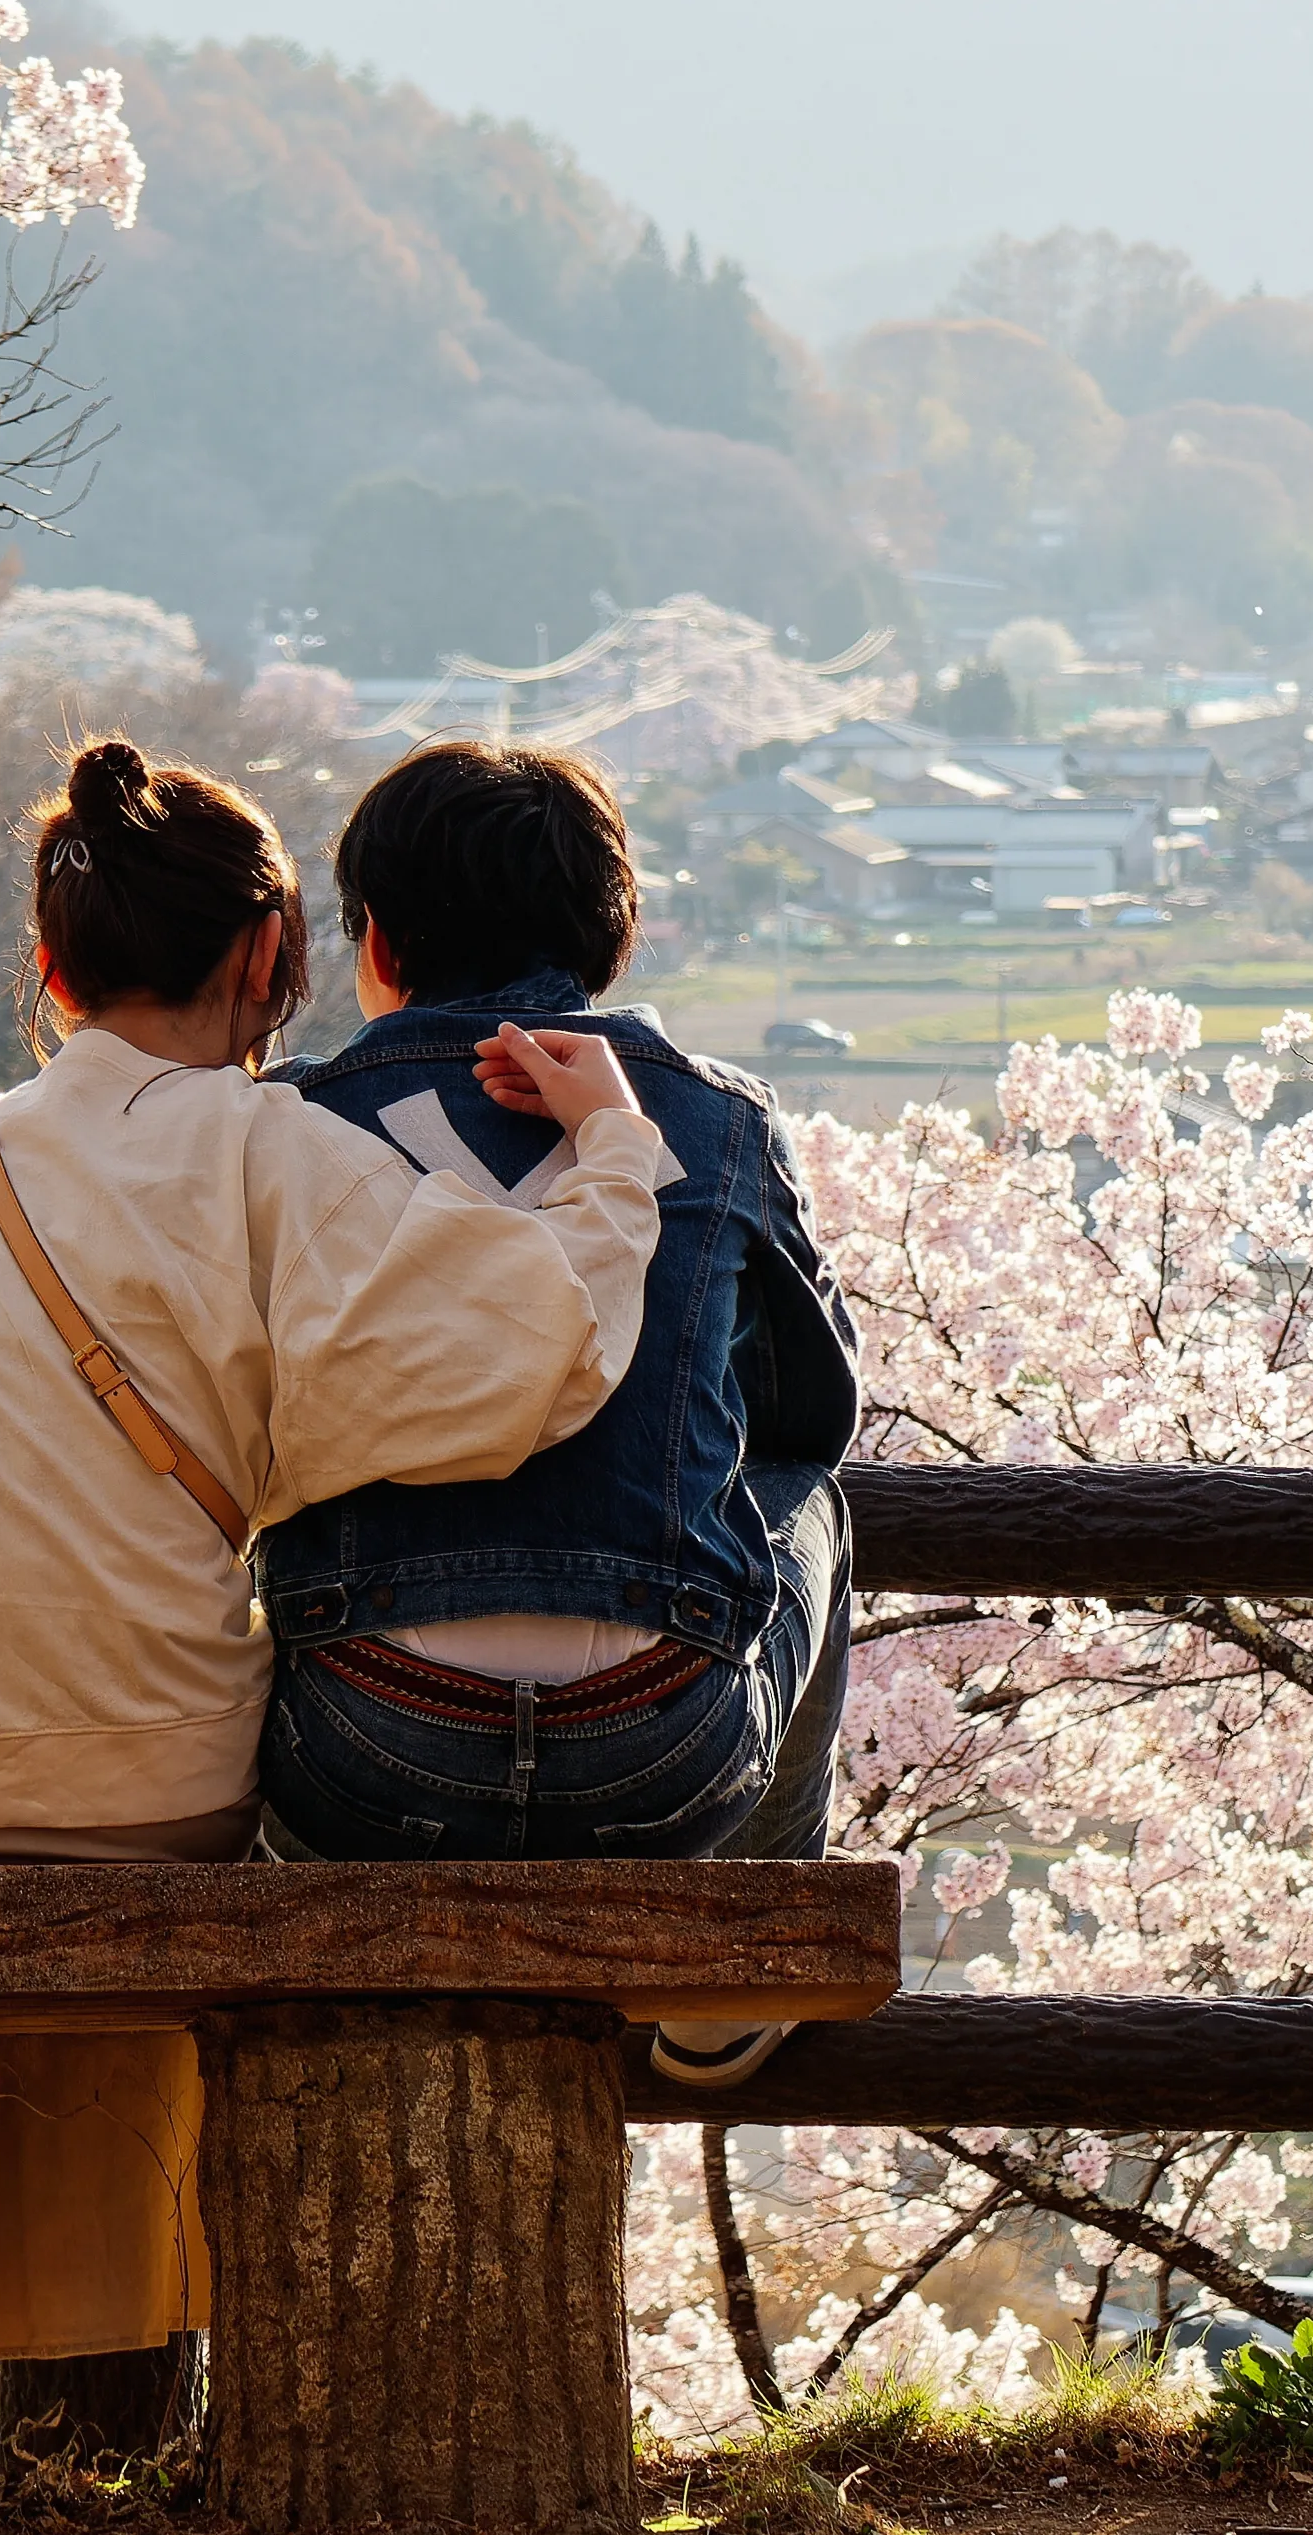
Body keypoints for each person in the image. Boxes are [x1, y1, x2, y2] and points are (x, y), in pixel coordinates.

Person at [0, 735, 675, 2378]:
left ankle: (4, 2373)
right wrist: (613, 1157)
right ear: (267, 954)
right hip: (131, 1777)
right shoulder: (275, 1153)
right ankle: (119, 2365)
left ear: (48, 966)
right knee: (222, 1819)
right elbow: (522, 1354)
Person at [253, 739, 864, 2093]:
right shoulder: (711, 1117)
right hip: (658, 1750)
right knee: (812, 1505)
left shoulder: (281, 1128)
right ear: (610, 936)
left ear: (378, 941)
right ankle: (729, 1962)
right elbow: (811, 1412)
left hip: (360, 1748)